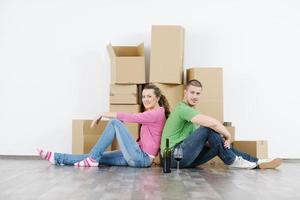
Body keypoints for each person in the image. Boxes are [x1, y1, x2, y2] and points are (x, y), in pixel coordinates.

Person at [38, 84, 170, 167]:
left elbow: (132, 117)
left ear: (157, 98)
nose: (145, 99)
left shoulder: (157, 113)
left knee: (114, 122)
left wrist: (103, 113)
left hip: (142, 158)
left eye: (149, 96)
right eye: (143, 97)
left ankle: (93, 158)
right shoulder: (153, 113)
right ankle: (58, 157)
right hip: (136, 155)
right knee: (96, 157)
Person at [160, 79, 282, 169]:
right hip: (171, 158)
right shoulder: (182, 109)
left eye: (198, 93)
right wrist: (228, 136)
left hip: (185, 158)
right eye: (192, 92)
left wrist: (220, 141)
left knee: (219, 143)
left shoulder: (193, 113)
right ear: (185, 92)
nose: (195, 96)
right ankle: (234, 160)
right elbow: (213, 124)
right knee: (208, 129)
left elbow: (204, 141)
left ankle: (257, 162)